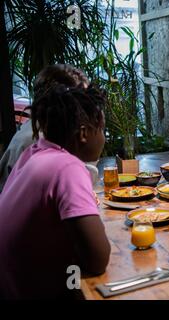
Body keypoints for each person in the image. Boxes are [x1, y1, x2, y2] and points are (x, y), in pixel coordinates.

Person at [0, 84, 111, 299]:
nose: (104, 138)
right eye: (102, 130)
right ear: (84, 134)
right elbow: (98, 259)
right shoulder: (67, 167)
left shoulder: (33, 153)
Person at [0, 64, 93, 192]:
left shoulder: (40, 128)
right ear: (61, 101)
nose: (87, 108)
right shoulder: (39, 141)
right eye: (82, 100)